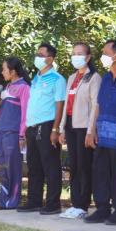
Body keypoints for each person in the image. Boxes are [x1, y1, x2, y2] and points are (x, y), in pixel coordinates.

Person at [85, 39, 116, 225]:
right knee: (100, 171)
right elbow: (98, 105)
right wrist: (93, 129)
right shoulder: (105, 78)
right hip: (102, 132)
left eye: (106, 53)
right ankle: (102, 208)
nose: (102, 57)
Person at [18, 43, 66, 214]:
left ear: (50, 59)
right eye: (37, 54)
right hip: (32, 127)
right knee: (34, 166)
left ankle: (53, 203)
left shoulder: (57, 79)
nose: (37, 57)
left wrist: (55, 129)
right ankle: (34, 201)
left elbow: (59, 104)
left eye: (41, 55)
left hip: (47, 126)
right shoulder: (36, 79)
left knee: (50, 166)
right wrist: (26, 127)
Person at [59, 43, 101, 219]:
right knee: (74, 165)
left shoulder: (94, 77)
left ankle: (83, 205)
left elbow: (95, 105)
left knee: (84, 166)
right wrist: (61, 128)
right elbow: (65, 105)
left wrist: (91, 130)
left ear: (88, 57)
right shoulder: (71, 78)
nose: (76, 57)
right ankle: (75, 203)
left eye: (80, 53)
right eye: (73, 53)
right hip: (70, 125)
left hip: (84, 126)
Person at [0, 57, 30, 210]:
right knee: (2, 166)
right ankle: (3, 200)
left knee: (13, 168)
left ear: (13, 71)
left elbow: (25, 113)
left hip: (14, 133)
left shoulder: (24, 87)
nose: (2, 72)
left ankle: (13, 200)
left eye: (4, 69)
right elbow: (4, 111)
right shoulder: (7, 87)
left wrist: (22, 135)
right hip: (1, 131)